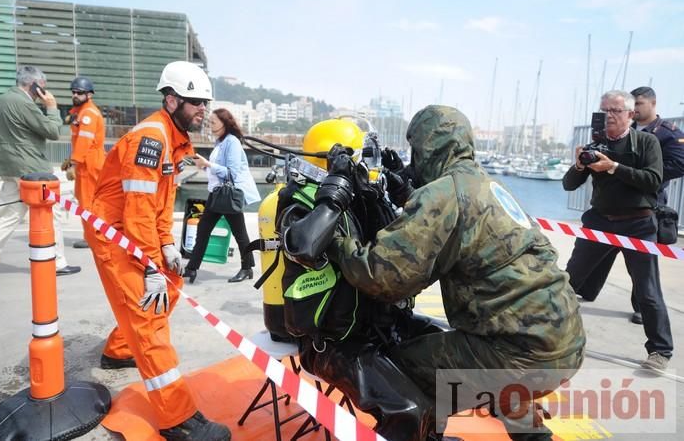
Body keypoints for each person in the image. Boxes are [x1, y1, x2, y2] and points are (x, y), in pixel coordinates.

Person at [326, 105, 585, 440]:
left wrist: (337, 242)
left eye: (416, 154)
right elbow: (455, 227)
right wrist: (410, 194)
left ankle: (425, 435)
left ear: (427, 149)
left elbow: (382, 277)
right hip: (564, 343)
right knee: (492, 357)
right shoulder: (486, 185)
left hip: (520, 355)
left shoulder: (444, 194)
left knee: (399, 367)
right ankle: (534, 436)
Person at [277, 118, 446, 441]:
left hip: (380, 324)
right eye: (355, 160)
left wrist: (400, 190)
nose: (361, 167)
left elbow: (401, 239)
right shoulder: (299, 201)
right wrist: (336, 190)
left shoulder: (361, 199)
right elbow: (304, 246)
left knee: (445, 361)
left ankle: (432, 437)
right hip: (332, 343)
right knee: (406, 410)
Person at [89, 61, 231, 440]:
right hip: (115, 235)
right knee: (148, 317)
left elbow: (159, 203)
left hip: (131, 230)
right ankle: (178, 419)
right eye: (195, 102)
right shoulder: (151, 139)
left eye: (205, 102)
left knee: (165, 291)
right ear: (171, 100)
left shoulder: (171, 137)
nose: (203, 109)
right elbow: (136, 213)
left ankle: (119, 351)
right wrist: (150, 265)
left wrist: (166, 246)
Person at [563, 90, 673, 372]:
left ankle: (660, 351)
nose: (608, 116)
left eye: (615, 110)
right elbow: (569, 185)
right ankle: (546, 335)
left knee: (647, 290)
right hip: (600, 221)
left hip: (637, 223)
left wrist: (613, 167)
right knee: (567, 281)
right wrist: (579, 165)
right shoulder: (594, 144)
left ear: (629, 115)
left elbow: (652, 180)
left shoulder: (646, 142)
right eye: (603, 110)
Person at [0, 66, 81, 286]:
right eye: (42, 87)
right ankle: (57, 262)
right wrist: (52, 107)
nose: (43, 92)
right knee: (51, 210)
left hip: (8, 169)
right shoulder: (24, 103)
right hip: (30, 170)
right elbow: (53, 131)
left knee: (6, 217)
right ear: (33, 84)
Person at [626, 86, 684, 324]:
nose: (635, 109)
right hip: (618, 202)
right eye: (632, 105)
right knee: (597, 248)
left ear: (653, 103)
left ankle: (642, 307)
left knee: (643, 262)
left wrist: (646, 175)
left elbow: (680, 164)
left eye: (638, 104)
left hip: (649, 203)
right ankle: (585, 289)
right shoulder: (625, 129)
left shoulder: (668, 133)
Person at [183, 108, 260, 284]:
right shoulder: (220, 142)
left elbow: (231, 173)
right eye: (209, 122)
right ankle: (191, 268)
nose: (210, 126)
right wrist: (203, 165)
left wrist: (208, 164)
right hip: (216, 194)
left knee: (240, 234)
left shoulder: (232, 142)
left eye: (213, 122)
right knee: (203, 231)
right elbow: (217, 170)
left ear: (224, 123)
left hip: (228, 195)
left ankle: (247, 268)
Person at [61, 76, 106, 249]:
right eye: (73, 92)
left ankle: (91, 237)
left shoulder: (88, 114)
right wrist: (71, 159)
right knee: (85, 200)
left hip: (90, 163)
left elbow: (85, 142)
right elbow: (78, 140)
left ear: (89, 94)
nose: (75, 95)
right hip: (86, 161)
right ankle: (93, 234)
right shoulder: (81, 112)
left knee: (88, 202)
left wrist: (74, 163)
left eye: (79, 93)